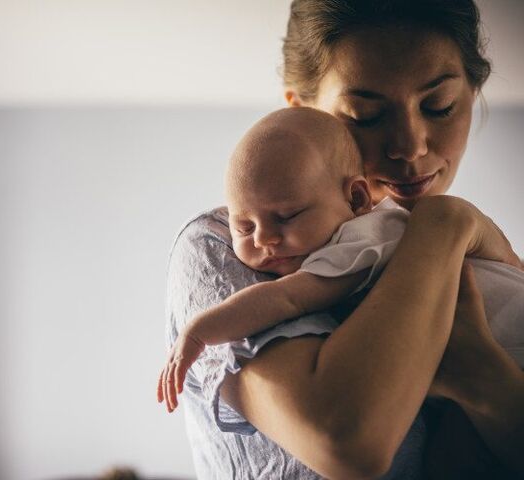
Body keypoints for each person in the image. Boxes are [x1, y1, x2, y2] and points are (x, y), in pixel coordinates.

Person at [163, 0, 524, 478]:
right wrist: (445, 224)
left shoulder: (483, 264)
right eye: (365, 115)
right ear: (303, 113)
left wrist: (481, 376)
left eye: (440, 106)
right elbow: (346, 442)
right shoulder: (228, 245)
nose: (411, 146)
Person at [157, 108, 524, 412]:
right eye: (244, 226)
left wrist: (200, 331)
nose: (265, 238)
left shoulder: (366, 237)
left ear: (357, 199)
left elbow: (287, 297)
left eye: (287, 216)